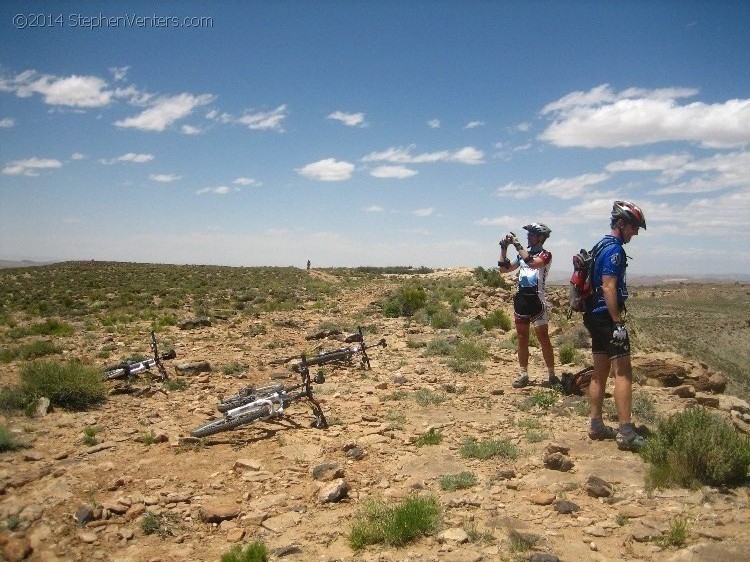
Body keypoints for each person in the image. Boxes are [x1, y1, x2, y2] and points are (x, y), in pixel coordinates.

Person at [584, 200, 647, 451]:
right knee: (623, 372)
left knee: (600, 370)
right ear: (621, 223)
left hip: (592, 316)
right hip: (607, 317)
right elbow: (608, 286)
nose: (636, 232)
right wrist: (617, 321)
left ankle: (596, 425)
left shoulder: (600, 246)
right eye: (633, 227)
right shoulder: (615, 251)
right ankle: (626, 433)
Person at [498, 223, 559, 389]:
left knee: (543, 338)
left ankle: (552, 375)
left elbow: (532, 263)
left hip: (537, 301)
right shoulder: (522, 255)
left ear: (541, 238)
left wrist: (517, 244)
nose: (528, 237)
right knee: (522, 338)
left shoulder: (546, 255)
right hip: (522, 300)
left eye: (531, 235)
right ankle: (524, 374)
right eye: (528, 235)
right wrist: (504, 249)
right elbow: (504, 270)